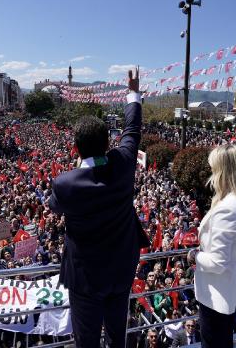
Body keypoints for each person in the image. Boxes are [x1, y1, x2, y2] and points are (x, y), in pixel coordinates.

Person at [49, 68, 149, 347]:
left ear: (75, 149)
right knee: (118, 336)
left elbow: (55, 207)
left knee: (87, 340)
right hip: (121, 270)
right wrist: (133, 92)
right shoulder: (124, 162)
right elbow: (132, 129)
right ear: (108, 143)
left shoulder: (65, 184)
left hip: (85, 278)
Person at [187, 144, 236, 348]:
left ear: (224, 171)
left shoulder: (229, 208)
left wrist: (194, 256)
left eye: (214, 169)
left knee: (213, 342)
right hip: (235, 286)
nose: (212, 175)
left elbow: (217, 262)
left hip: (217, 292)